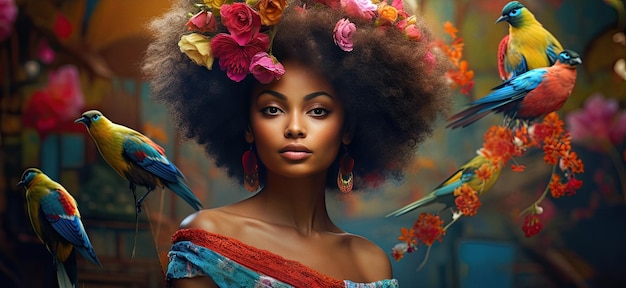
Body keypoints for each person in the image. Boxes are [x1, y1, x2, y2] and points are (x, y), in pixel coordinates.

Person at [142, 0, 452, 286]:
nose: (294, 128)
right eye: (272, 110)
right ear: (248, 126)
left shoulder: (370, 265)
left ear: (347, 129)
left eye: (318, 111)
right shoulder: (207, 238)